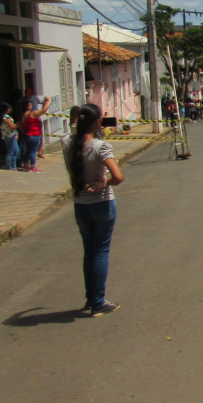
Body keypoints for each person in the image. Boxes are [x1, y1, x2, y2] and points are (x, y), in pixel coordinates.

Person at [62, 104, 125, 317]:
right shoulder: (100, 146)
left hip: (81, 204)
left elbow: (72, 129)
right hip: (102, 203)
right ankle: (98, 302)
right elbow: (118, 177)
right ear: (97, 122)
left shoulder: (67, 143)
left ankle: (91, 298)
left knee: (89, 251)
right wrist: (105, 181)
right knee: (101, 252)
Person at [19, 96, 51, 172]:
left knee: (28, 150)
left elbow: (21, 126)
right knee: (33, 151)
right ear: (28, 106)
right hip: (34, 134)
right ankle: (33, 166)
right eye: (30, 104)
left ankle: (26, 164)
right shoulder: (32, 114)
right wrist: (49, 101)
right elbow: (44, 110)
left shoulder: (23, 115)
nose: (31, 105)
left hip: (27, 134)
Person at [0, 103, 19, 171]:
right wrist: (17, 125)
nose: (10, 109)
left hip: (11, 135)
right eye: (9, 108)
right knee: (11, 152)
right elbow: (12, 127)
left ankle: (14, 166)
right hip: (10, 136)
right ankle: (10, 167)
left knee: (16, 151)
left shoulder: (4, 117)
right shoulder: (6, 118)